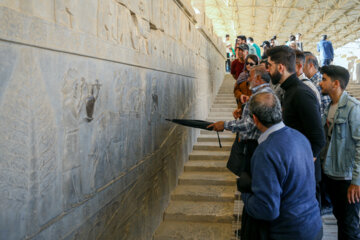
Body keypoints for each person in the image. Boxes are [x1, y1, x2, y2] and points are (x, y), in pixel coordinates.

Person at [242, 92, 323, 240]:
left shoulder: (266, 151)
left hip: (288, 232)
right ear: (280, 111)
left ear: (255, 119)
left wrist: (245, 194)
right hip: (313, 225)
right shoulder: (300, 137)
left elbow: (267, 209)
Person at [266, 46, 326, 206]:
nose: (268, 71)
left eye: (270, 66)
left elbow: (319, 139)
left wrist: (302, 165)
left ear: (280, 67)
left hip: (303, 177)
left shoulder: (301, 93)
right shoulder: (290, 91)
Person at [319, 65, 360, 239]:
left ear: (335, 83)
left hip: (346, 179)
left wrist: (356, 181)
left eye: (324, 79)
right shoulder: (329, 107)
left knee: (349, 227)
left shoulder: (353, 107)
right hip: (331, 175)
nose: (320, 83)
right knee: (340, 219)